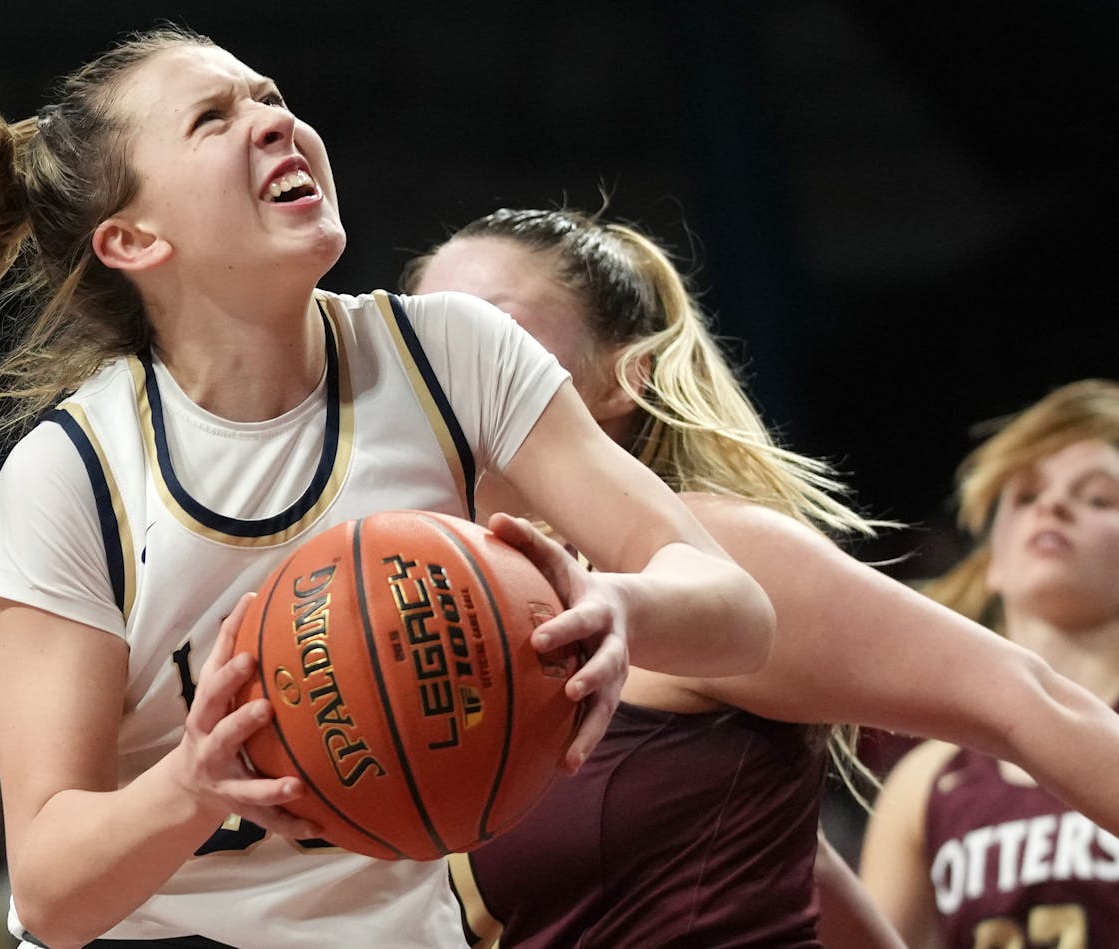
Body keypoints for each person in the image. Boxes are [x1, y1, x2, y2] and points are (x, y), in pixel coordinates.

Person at [0, 26, 779, 949]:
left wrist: (618, 607)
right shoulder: (74, 473)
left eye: (269, 97)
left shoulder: (452, 358)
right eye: (211, 119)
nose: (271, 121)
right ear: (133, 239)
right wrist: (189, 784)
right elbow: (48, 887)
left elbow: (737, 610)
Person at [403, 207, 1119, 946]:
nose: (445, 363)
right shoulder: (442, 633)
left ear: (623, 379)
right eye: (420, 340)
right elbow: (792, 866)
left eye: (485, 331)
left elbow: (1028, 700)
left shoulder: (715, 557)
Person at [858, 379, 1119, 949]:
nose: (1051, 505)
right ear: (992, 561)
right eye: (1025, 496)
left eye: (1098, 497)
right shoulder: (924, 782)